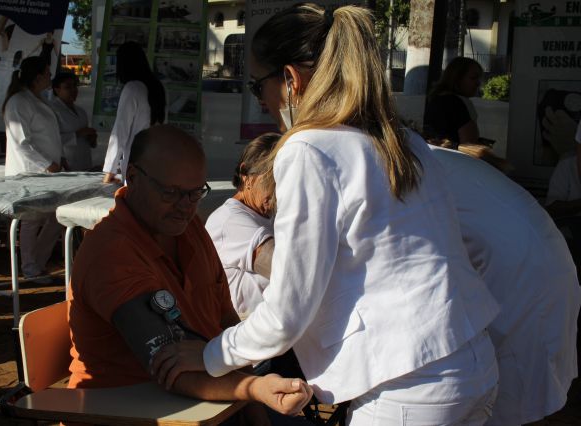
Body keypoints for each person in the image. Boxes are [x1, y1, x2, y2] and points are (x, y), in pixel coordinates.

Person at [151, 4, 501, 425]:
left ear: (290, 79)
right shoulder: (402, 139)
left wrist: (210, 355)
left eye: (258, 86)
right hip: (472, 360)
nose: (261, 101)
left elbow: (289, 309)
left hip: (411, 383)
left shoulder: (309, 149)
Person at [67, 125, 312, 422]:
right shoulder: (111, 252)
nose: (185, 207)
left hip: (207, 401)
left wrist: (255, 409)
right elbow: (170, 367)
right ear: (133, 177)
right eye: (171, 193)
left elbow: (225, 323)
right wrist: (255, 390)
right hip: (127, 410)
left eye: (196, 193)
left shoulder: (188, 228)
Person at [429, 145, 580, 425]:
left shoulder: (419, 167)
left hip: (525, 284)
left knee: (515, 402)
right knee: (528, 397)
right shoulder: (439, 160)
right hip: (541, 271)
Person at [2, 56, 64, 280]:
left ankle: (38, 261)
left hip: (47, 171)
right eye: (47, 73)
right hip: (29, 171)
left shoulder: (38, 99)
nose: (50, 76)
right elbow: (21, 142)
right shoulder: (18, 102)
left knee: (56, 216)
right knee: (31, 220)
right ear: (37, 77)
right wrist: (47, 164)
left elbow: (48, 135)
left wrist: (58, 160)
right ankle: (30, 267)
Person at [205, 133, 279, 318]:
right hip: (241, 325)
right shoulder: (230, 220)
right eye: (272, 179)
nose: (278, 190)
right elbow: (284, 270)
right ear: (246, 175)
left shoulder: (268, 214)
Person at [102, 41, 166, 183]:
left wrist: (110, 171)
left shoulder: (132, 88)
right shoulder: (157, 87)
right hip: (158, 160)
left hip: (137, 162)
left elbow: (120, 132)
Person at [425, 57, 483, 147]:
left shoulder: (433, 99)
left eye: (479, 78)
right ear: (457, 79)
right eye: (473, 78)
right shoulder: (459, 103)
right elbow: (470, 145)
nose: (478, 83)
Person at [50, 72, 97, 171]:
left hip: (85, 164)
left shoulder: (81, 112)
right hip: (66, 166)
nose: (73, 90)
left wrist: (92, 139)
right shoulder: (52, 111)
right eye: (68, 87)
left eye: (75, 86)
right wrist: (77, 134)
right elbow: (51, 140)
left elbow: (88, 141)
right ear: (57, 90)